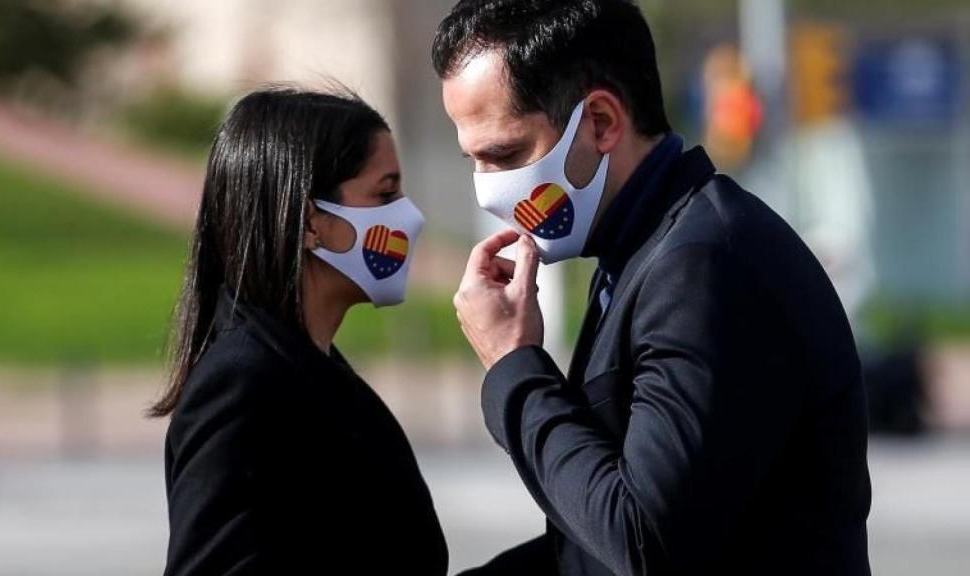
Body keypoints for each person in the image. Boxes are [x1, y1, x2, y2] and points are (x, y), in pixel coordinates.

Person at [433, 1, 872, 574]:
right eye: (473, 160)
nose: (487, 190)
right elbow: (596, 536)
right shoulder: (641, 249)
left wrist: (514, 365)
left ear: (601, 122)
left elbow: (643, 543)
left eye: (506, 155)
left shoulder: (703, 263)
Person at [151, 86, 448, 575]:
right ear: (312, 222)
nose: (408, 216)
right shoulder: (243, 384)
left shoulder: (314, 370)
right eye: (385, 192)